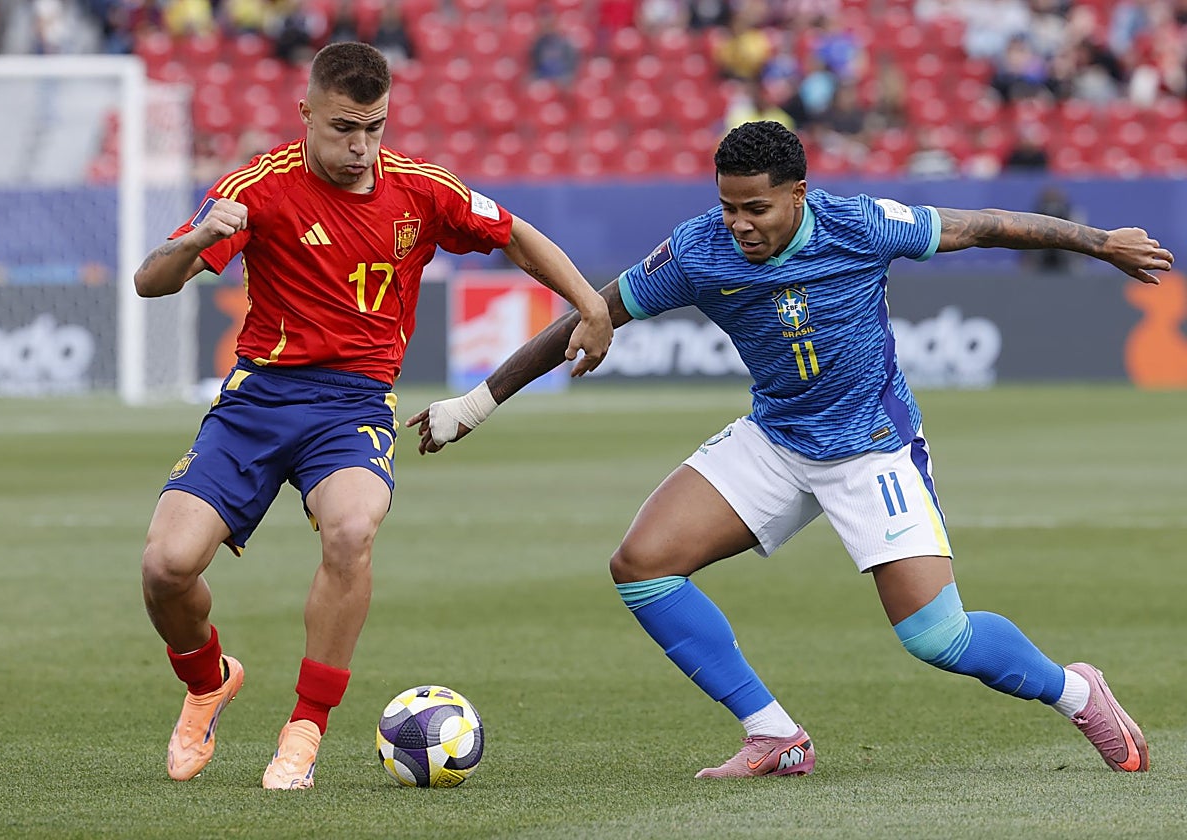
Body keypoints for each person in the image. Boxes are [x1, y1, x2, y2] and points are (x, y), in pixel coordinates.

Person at [407, 121, 1171, 779]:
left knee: (939, 638)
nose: (739, 224)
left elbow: (984, 225)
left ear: (799, 194)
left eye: (756, 208)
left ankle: (1077, 693)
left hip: (871, 447)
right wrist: (475, 404)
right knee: (642, 566)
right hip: (776, 439)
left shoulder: (860, 225)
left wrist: (1100, 243)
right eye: (728, 206)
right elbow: (593, 311)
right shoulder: (698, 251)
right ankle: (773, 733)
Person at [134, 41, 612, 790]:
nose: (360, 146)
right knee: (165, 568)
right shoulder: (257, 187)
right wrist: (196, 239)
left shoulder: (422, 190)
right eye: (343, 128)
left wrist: (590, 304)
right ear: (306, 114)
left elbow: (516, 235)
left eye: (374, 127)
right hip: (257, 400)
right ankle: (208, 682)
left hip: (353, 404)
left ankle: (304, 730)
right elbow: (149, 282)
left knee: (352, 530)